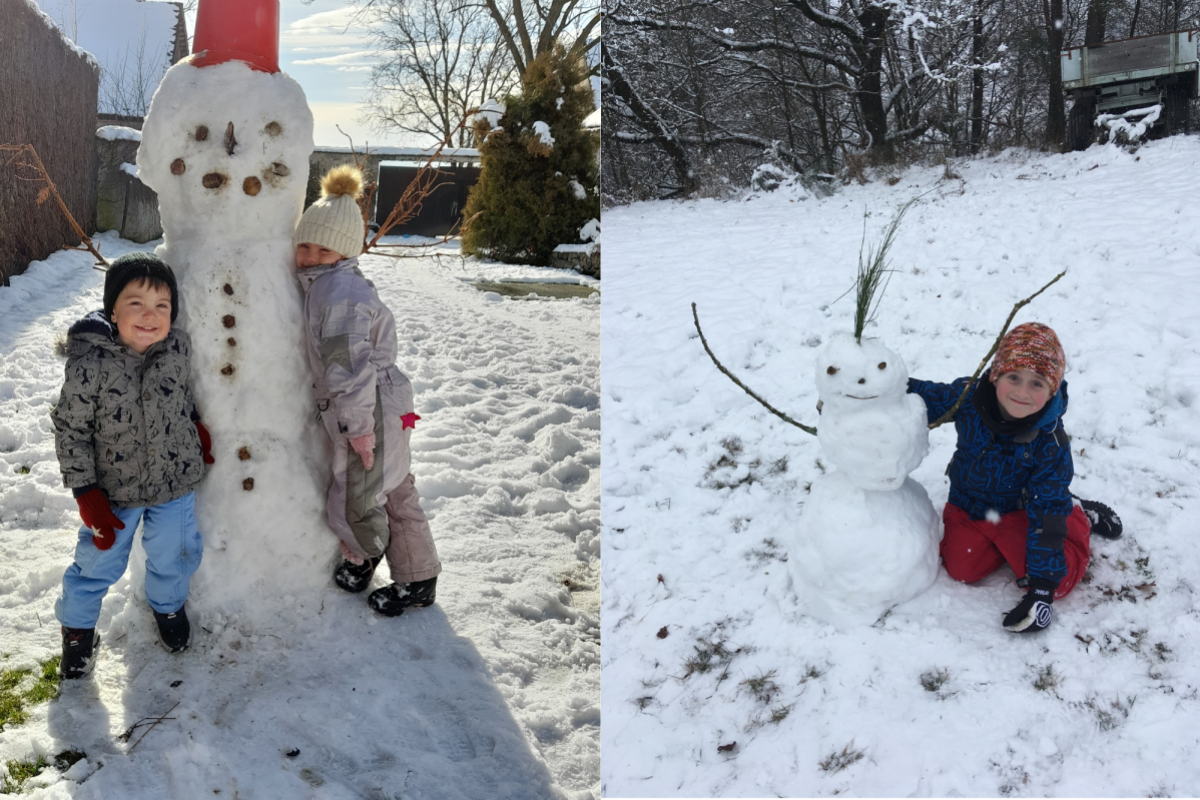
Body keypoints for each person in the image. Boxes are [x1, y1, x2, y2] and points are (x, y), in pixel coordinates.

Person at [52, 252, 214, 678]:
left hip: (173, 481)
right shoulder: (91, 364)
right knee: (96, 564)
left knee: (174, 554)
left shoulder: (177, 348)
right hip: (113, 492)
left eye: (162, 306)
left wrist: (195, 429)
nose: (150, 316)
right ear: (112, 311)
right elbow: (70, 429)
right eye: (136, 303)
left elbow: (181, 397)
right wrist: (85, 492)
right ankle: (77, 631)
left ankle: (168, 608)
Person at [293, 164, 442, 616]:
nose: (311, 256)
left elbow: (347, 366)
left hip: (370, 407)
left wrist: (358, 429)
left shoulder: (335, 293)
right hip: (393, 402)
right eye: (305, 245)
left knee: (357, 490)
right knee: (395, 486)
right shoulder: (340, 282)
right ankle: (420, 578)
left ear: (344, 252)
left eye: (324, 249)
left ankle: (363, 556)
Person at [907, 322, 1121, 634]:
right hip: (968, 506)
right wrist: (865, 390)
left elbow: (1047, 511)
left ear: (1051, 390)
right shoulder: (969, 398)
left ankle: (1078, 515)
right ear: (995, 377)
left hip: (1023, 510)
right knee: (963, 570)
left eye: (1037, 383)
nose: (1022, 392)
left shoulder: (1049, 442)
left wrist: (1042, 591)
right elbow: (925, 397)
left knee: (1059, 581)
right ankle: (1000, 543)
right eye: (1013, 377)